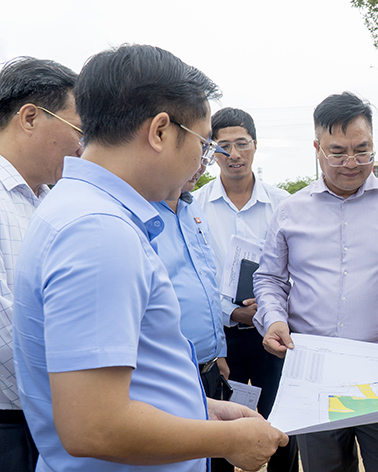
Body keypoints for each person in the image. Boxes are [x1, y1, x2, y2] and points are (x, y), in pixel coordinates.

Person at [12, 44, 288, 472]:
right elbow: (94, 426)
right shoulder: (99, 230)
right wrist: (228, 439)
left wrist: (202, 411)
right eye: (203, 141)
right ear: (160, 131)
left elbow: (128, 383)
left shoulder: (81, 208)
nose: (203, 160)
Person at [253, 91, 378, 472]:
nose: (352, 163)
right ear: (317, 148)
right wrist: (273, 319)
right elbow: (270, 278)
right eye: (338, 152)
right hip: (314, 374)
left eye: (363, 150)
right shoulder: (291, 211)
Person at [193, 107, 298, 471]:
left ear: (255, 146)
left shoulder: (284, 204)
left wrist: (268, 307)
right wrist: (232, 312)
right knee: (220, 431)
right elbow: (199, 276)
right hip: (221, 340)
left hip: (274, 334)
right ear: (211, 150)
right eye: (223, 146)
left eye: (241, 144)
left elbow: (295, 268)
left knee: (282, 424)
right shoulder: (195, 207)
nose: (234, 155)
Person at [0, 56, 81, 472]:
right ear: (30, 117)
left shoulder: (53, 201)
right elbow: (7, 329)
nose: (82, 147)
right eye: (78, 129)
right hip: (12, 422)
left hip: (54, 416)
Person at [151, 160, 230, 399]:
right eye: (195, 153)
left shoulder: (192, 206)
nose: (201, 166)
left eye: (205, 156)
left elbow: (206, 282)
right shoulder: (139, 212)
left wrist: (219, 355)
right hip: (167, 375)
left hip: (209, 368)